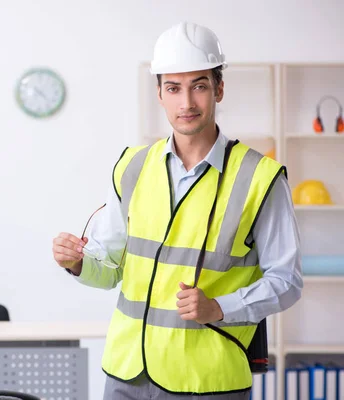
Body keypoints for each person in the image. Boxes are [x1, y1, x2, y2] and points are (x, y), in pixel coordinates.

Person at [52, 21, 303, 400]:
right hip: (127, 374)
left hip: (207, 381)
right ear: (160, 94)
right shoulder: (132, 166)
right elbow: (110, 270)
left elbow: (287, 280)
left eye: (199, 86)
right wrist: (77, 262)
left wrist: (220, 307)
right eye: (173, 88)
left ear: (219, 88)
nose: (186, 103)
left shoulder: (260, 178)